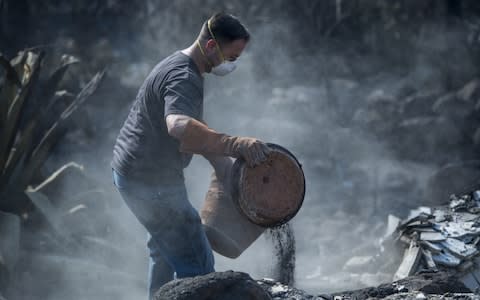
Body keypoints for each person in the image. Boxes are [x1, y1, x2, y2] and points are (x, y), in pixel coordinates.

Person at [111, 12, 271, 299]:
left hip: (134, 174)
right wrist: (233, 144)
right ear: (211, 47)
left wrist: (220, 162)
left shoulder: (178, 64)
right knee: (198, 265)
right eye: (230, 58)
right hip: (150, 184)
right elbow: (178, 125)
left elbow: (192, 125)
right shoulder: (184, 76)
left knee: (164, 249)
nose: (230, 65)